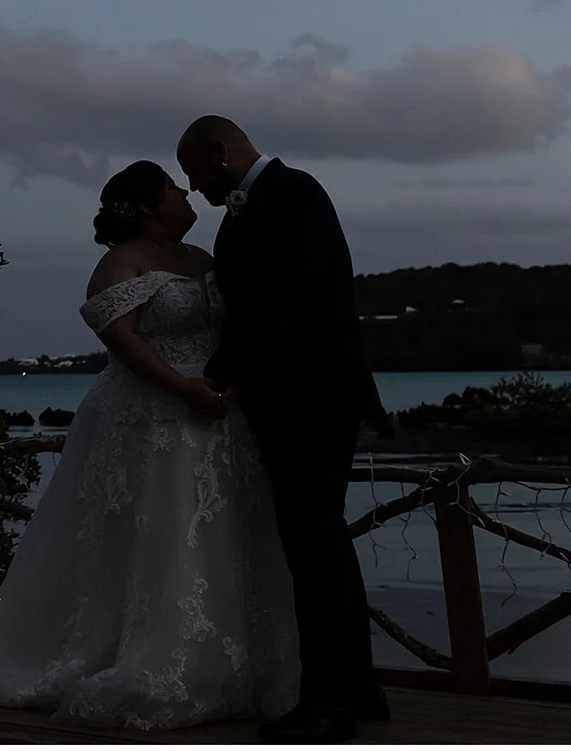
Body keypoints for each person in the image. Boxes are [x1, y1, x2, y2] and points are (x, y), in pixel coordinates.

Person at [0, 160, 300, 730]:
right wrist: (183, 388)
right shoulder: (119, 263)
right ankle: (150, 657)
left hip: (218, 414)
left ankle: (234, 660)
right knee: (160, 532)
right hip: (152, 415)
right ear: (148, 206)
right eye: (174, 189)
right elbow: (122, 340)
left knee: (219, 533)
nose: (186, 193)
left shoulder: (203, 261)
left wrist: (227, 382)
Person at [177, 116, 393, 743]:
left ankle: (328, 706)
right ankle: (357, 686)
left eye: (193, 169)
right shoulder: (267, 200)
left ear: (219, 153)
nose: (193, 186)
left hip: (311, 399)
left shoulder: (292, 192)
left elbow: (277, 303)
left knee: (314, 547)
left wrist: (219, 377)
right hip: (305, 398)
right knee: (323, 543)